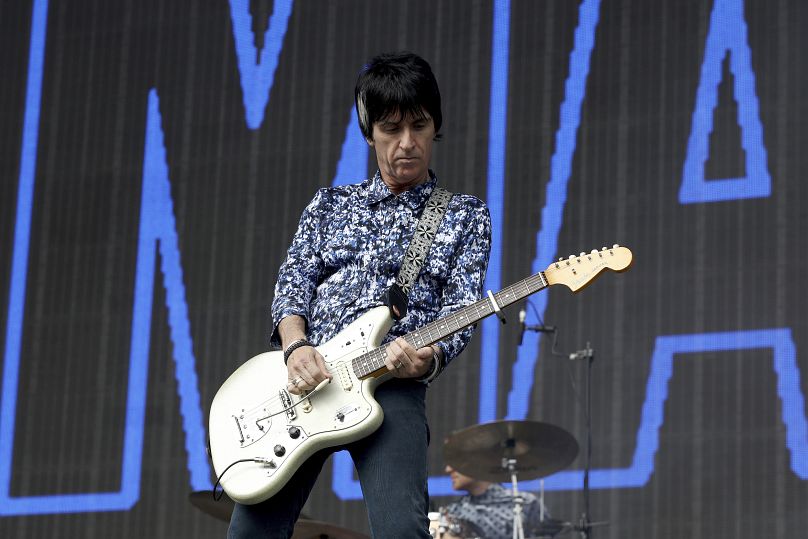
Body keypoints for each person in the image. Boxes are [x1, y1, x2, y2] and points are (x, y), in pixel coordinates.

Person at [227, 51, 492, 538]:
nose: (407, 143)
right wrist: (295, 346)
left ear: (437, 126)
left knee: (402, 531)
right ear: (369, 133)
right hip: (304, 386)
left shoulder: (464, 215)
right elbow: (293, 284)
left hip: (391, 384)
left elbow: (462, 311)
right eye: (391, 129)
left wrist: (427, 358)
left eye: (419, 125)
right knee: (250, 533)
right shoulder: (329, 205)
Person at [442, 465, 554, 539]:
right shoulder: (452, 513)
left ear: (478, 458)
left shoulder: (526, 503)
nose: (448, 469)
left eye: (455, 460)